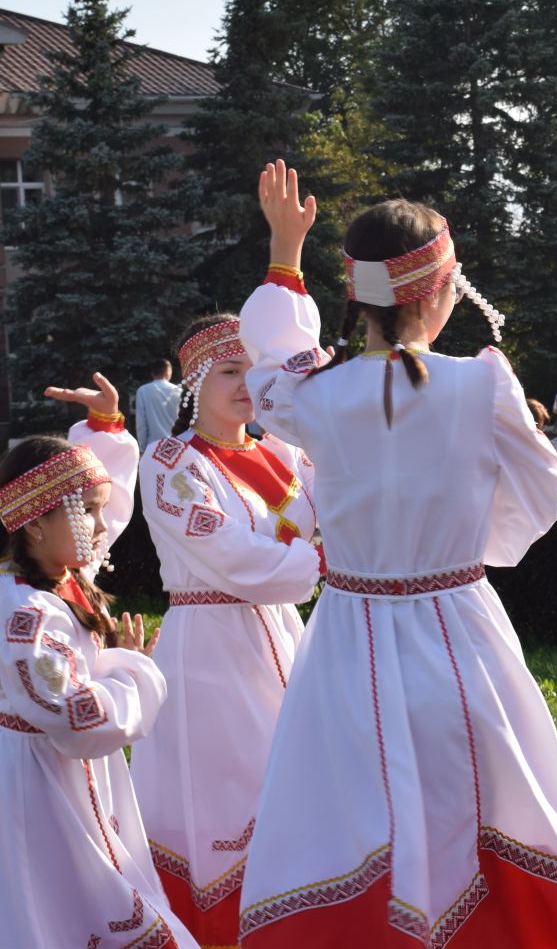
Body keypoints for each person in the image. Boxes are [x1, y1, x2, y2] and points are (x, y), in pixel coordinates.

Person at [236, 161, 557, 946]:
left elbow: (273, 359)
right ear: (442, 292)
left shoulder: (312, 397)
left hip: (349, 632)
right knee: (485, 792)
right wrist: (471, 543)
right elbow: (542, 490)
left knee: (349, 802)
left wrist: (284, 254)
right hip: (457, 626)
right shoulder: (481, 384)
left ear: (357, 297)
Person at [0, 377, 199, 949]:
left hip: (71, 777)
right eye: (85, 512)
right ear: (35, 522)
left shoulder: (59, 570)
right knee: (61, 917)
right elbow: (77, 718)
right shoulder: (26, 615)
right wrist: (134, 668)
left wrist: (108, 430)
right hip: (40, 788)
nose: (99, 525)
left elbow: (108, 511)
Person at [129, 315, 323, 946]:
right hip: (211, 646)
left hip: (284, 633)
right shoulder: (170, 462)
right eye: (230, 371)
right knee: (225, 789)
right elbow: (234, 556)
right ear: (195, 381)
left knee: (294, 776)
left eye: (254, 371)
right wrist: (322, 560)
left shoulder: (284, 452)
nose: (246, 385)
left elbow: (341, 504)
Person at [134, 358, 184, 448]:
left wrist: (142, 447)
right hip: (176, 445)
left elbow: (141, 423)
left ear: (152, 373)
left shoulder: (143, 391)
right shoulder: (178, 391)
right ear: (168, 372)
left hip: (152, 446)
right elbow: (184, 420)